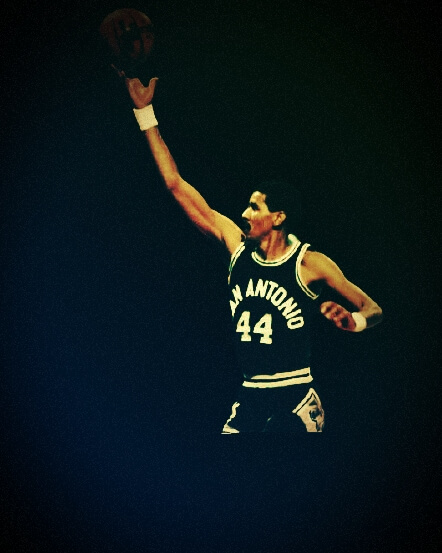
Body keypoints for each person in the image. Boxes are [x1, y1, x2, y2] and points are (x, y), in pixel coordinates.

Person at [116, 74, 383, 432]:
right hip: (251, 394)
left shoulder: (308, 263)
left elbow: (373, 308)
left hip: (295, 396)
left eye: (255, 208)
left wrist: (354, 321)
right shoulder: (237, 248)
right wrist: (144, 112)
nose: (244, 213)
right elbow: (175, 184)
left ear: (278, 217)